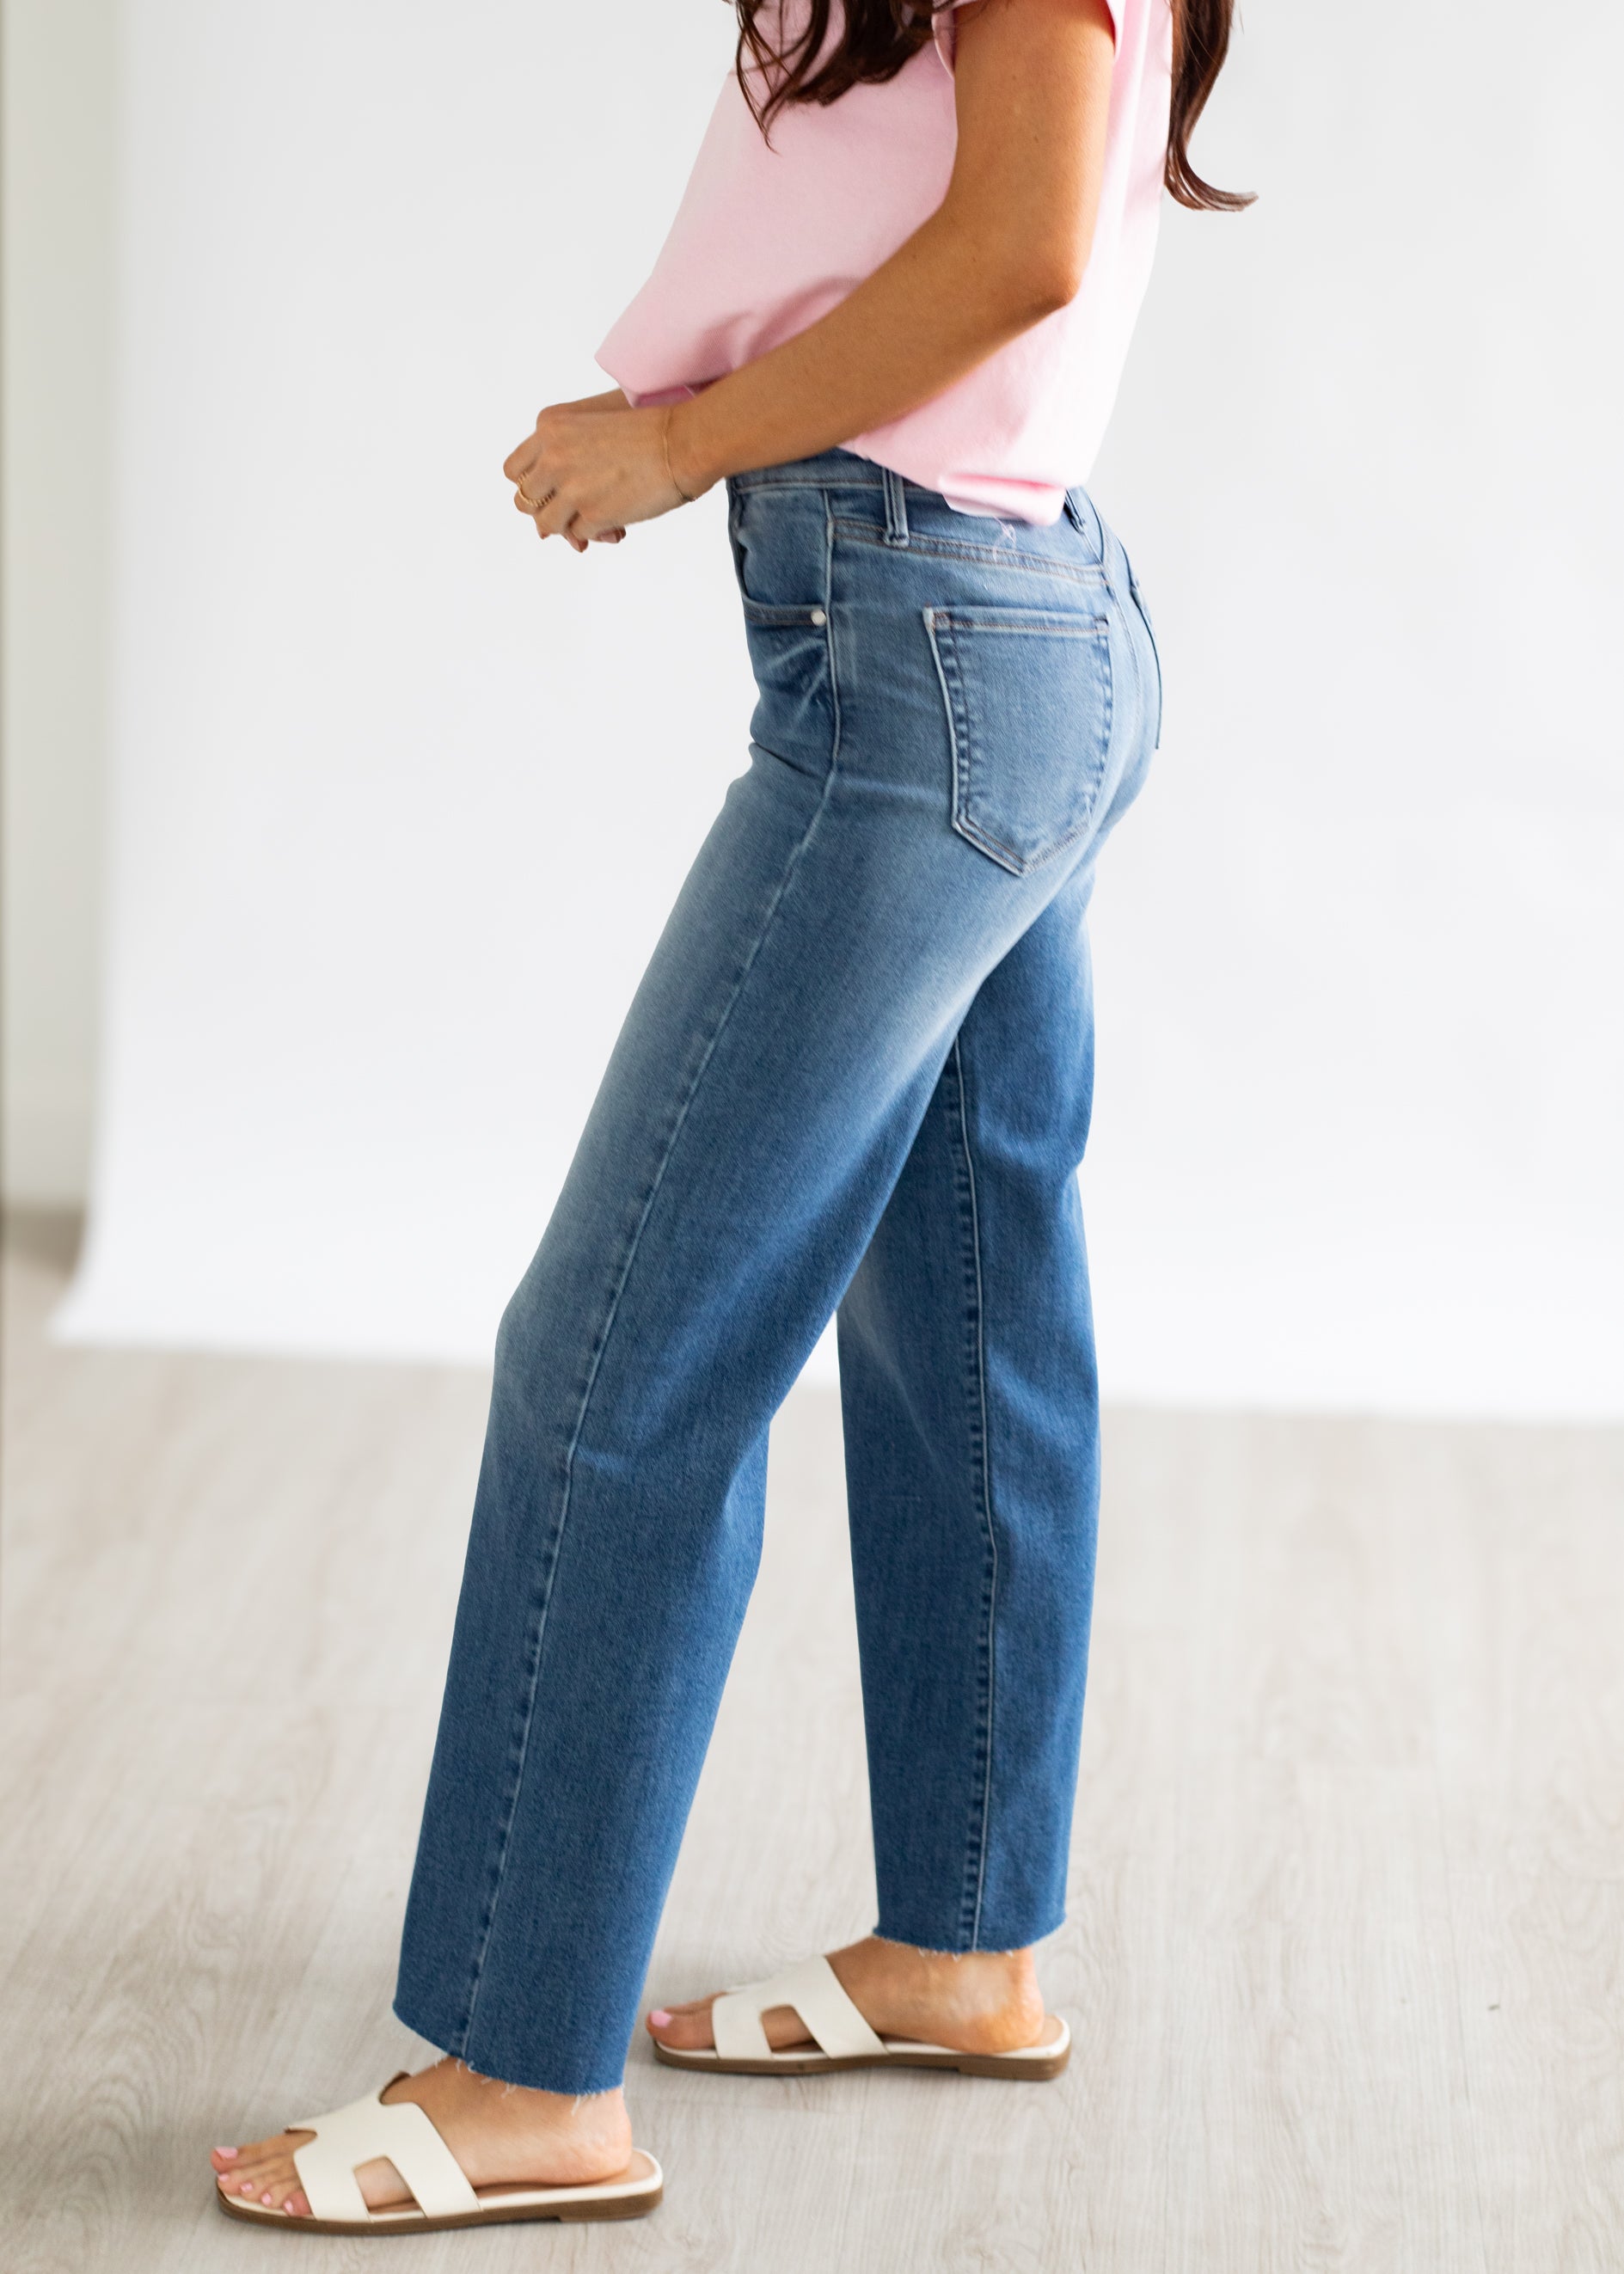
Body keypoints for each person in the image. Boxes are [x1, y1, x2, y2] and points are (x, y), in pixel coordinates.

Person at [212, 0, 1247, 2233]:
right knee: (967, 1322)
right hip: (991, 637)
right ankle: (965, 1947)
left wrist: (674, 436)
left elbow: (1016, 252)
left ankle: (523, 2070)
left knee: (620, 1351)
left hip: (921, 675)